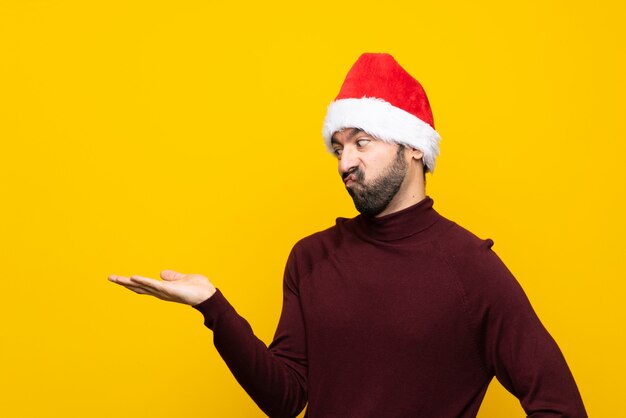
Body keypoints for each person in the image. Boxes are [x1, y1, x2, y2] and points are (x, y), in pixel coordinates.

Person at [109, 53, 587, 417]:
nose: (345, 163)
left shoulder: (470, 268)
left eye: (362, 141)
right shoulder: (312, 258)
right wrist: (213, 305)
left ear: (414, 148)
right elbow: (287, 398)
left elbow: (559, 405)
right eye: (338, 147)